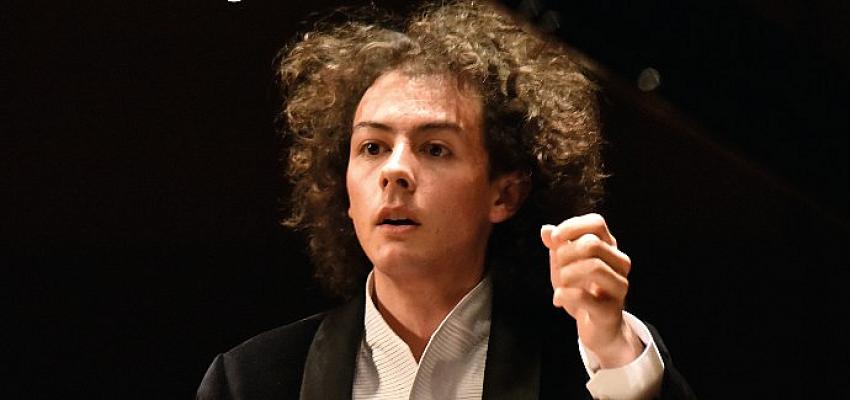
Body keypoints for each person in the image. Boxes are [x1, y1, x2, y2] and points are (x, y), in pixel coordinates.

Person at [197, 1, 695, 399]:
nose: (394, 171)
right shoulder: (250, 380)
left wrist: (612, 348)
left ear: (504, 194)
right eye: (372, 147)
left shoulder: (589, 365)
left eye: (435, 148)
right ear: (343, 190)